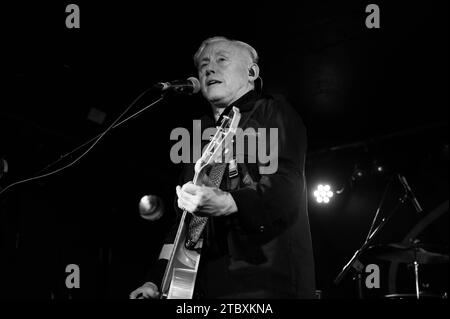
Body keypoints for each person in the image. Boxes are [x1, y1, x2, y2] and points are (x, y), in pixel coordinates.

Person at [130, 36, 316, 299]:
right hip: (204, 284)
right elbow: (183, 224)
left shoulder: (272, 111)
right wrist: (155, 280)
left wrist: (230, 202)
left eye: (221, 60)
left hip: (265, 282)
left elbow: (287, 183)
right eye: (203, 64)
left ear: (251, 72)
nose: (209, 68)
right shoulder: (200, 135)